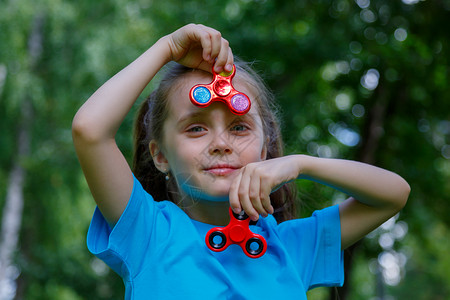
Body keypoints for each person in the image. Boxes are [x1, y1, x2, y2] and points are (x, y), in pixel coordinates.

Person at [72, 24, 410, 299]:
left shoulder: (289, 247)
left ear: (265, 151)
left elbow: (393, 194)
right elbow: (90, 131)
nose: (221, 143)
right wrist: (167, 49)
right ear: (160, 155)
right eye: (196, 128)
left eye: (239, 127)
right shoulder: (147, 233)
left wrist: (303, 164)